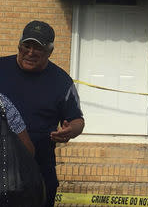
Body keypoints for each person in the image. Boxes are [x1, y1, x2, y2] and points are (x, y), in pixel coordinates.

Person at [0, 20, 85, 207]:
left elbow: (77, 119)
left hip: (38, 172)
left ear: (50, 52)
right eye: (27, 45)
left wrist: (71, 130)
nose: (30, 52)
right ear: (19, 44)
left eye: (37, 48)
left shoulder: (61, 81)